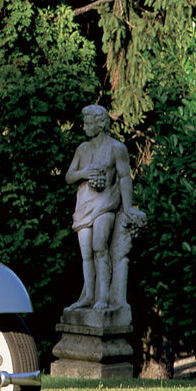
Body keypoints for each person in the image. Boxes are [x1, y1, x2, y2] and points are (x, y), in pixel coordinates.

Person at [66, 104, 146, 311]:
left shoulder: (116, 148)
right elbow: (69, 176)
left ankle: (103, 296)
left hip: (106, 205)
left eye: (88, 123)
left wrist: (127, 208)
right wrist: (85, 173)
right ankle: (88, 296)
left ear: (100, 124)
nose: (84, 127)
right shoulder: (82, 149)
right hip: (84, 205)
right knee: (86, 253)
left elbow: (124, 178)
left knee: (99, 247)